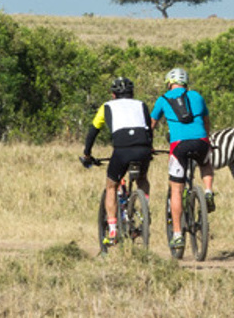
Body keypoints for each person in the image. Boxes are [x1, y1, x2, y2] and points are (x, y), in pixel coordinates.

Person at [81, 77, 153, 247]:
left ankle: (113, 230)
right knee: (142, 178)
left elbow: (93, 132)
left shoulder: (106, 106)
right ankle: (144, 211)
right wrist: (150, 148)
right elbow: (149, 129)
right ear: (132, 93)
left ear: (113, 95)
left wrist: (87, 154)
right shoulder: (141, 104)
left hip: (122, 149)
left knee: (111, 186)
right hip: (143, 147)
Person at [149, 67, 214, 251]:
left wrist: (149, 144)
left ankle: (177, 235)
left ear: (169, 82)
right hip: (200, 141)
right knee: (206, 163)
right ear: (186, 82)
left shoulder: (163, 100)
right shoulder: (197, 96)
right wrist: (206, 139)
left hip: (179, 146)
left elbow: (151, 125)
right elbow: (206, 120)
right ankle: (208, 191)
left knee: (176, 190)